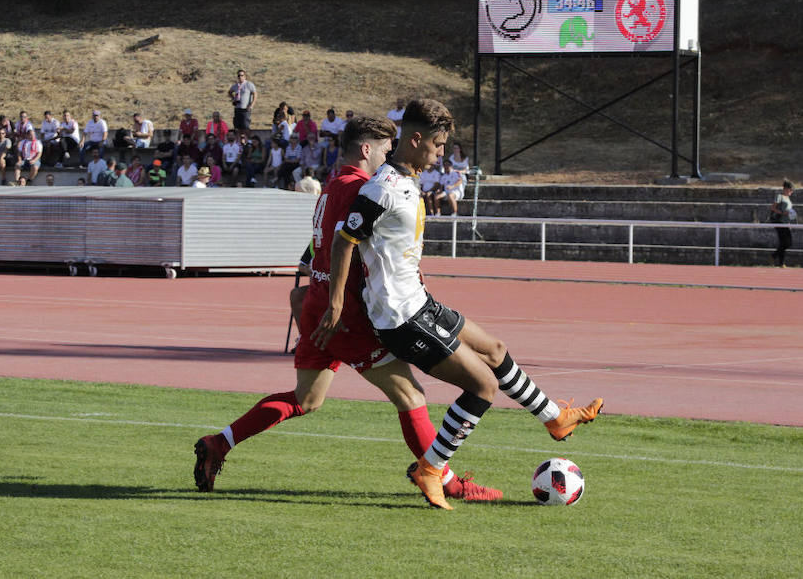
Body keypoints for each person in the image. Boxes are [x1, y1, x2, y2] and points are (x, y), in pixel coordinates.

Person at [193, 116, 501, 502]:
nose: (391, 157)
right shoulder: (360, 189)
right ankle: (447, 481)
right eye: (387, 150)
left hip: (318, 307)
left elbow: (312, 252)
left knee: (306, 399)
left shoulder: (329, 189)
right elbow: (345, 244)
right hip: (344, 316)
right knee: (411, 396)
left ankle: (219, 442)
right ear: (367, 150)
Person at [316, 99, 603, 510]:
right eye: (437, 144)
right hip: (401, 317)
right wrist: (336, 304)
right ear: (415, 139)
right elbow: (345, 241)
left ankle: (555, 418)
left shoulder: (406, 177)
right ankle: (431, 469)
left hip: (420, 303)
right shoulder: (383, 187)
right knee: (483, 385)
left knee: (496, 351)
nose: (440, 153)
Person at [769, 180, 796, 267]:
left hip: (785, 222)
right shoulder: (779, 196)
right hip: (778, 221)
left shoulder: (788, 198)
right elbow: (773, 208)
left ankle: (780, 262)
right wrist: (782, 213)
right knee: (786, 243)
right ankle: (775, 256)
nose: (792, 192)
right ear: (785, 189)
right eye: (790, 190)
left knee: (784, 243)